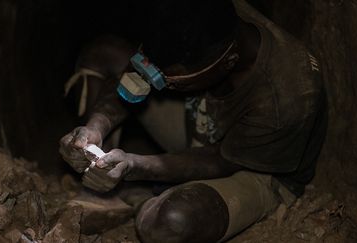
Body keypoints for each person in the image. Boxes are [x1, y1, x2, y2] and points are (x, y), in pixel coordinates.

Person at [59, 0, 327, 242]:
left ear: (228, 62)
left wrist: (135, 165)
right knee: (104, 52)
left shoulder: (288, 96)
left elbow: (220, 161)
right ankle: (102, 188)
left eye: (167, 79)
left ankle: (138, 197)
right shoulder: (204, 15)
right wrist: (96, 125)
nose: (155, 82)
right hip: (202, 110)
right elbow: (136, 78)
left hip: (253, 168)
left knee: (170, 223)